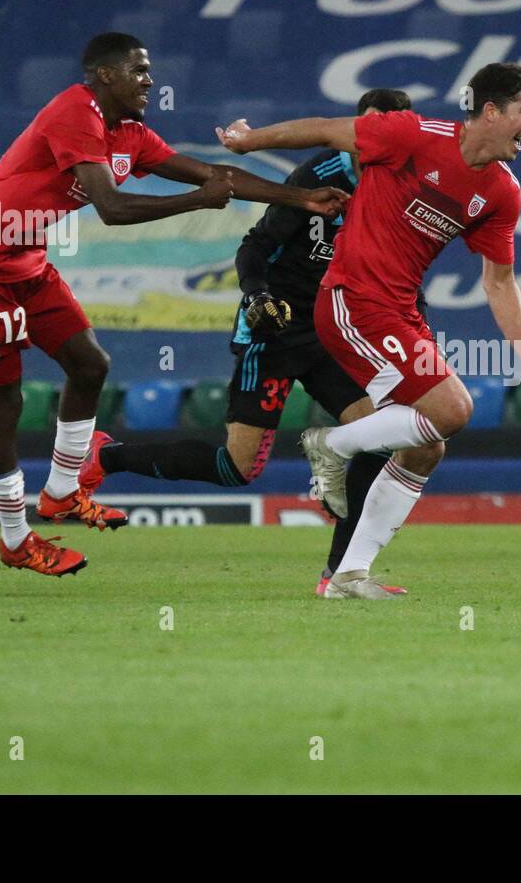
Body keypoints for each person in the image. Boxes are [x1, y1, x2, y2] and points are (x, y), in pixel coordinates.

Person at [0, 32, 348, 577]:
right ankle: (16, 539)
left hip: (29, 262)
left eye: (150, 71)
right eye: (139, 70)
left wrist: (299, 198)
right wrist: (194, 202)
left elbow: (214, 176)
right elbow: (110, 206)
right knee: (6, 403)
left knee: (90, 364)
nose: (150, 81)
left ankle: (61, 491)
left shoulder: (127, 133)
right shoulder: (72, 112)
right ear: (105, 76)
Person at [216, 63, 521, 599]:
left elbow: (499, 282)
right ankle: (331, 445)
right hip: (351, 300)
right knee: (452, 410)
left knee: (428, 445)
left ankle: (348, 576)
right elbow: (325, 127)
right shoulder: (411, 135)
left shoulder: (500, 192)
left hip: (400, 313)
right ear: (490, 111)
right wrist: (247, 142)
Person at [79, 89, 418, 596]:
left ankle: (341, 575)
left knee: (385, 436)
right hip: (275, 327)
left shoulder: (408, 186)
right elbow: (255, 246)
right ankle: (105, 456)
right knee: (237, 468)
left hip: (335, 327)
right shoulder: (319, 177)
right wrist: (257, 295)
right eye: (364, 130)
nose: (371, 142)